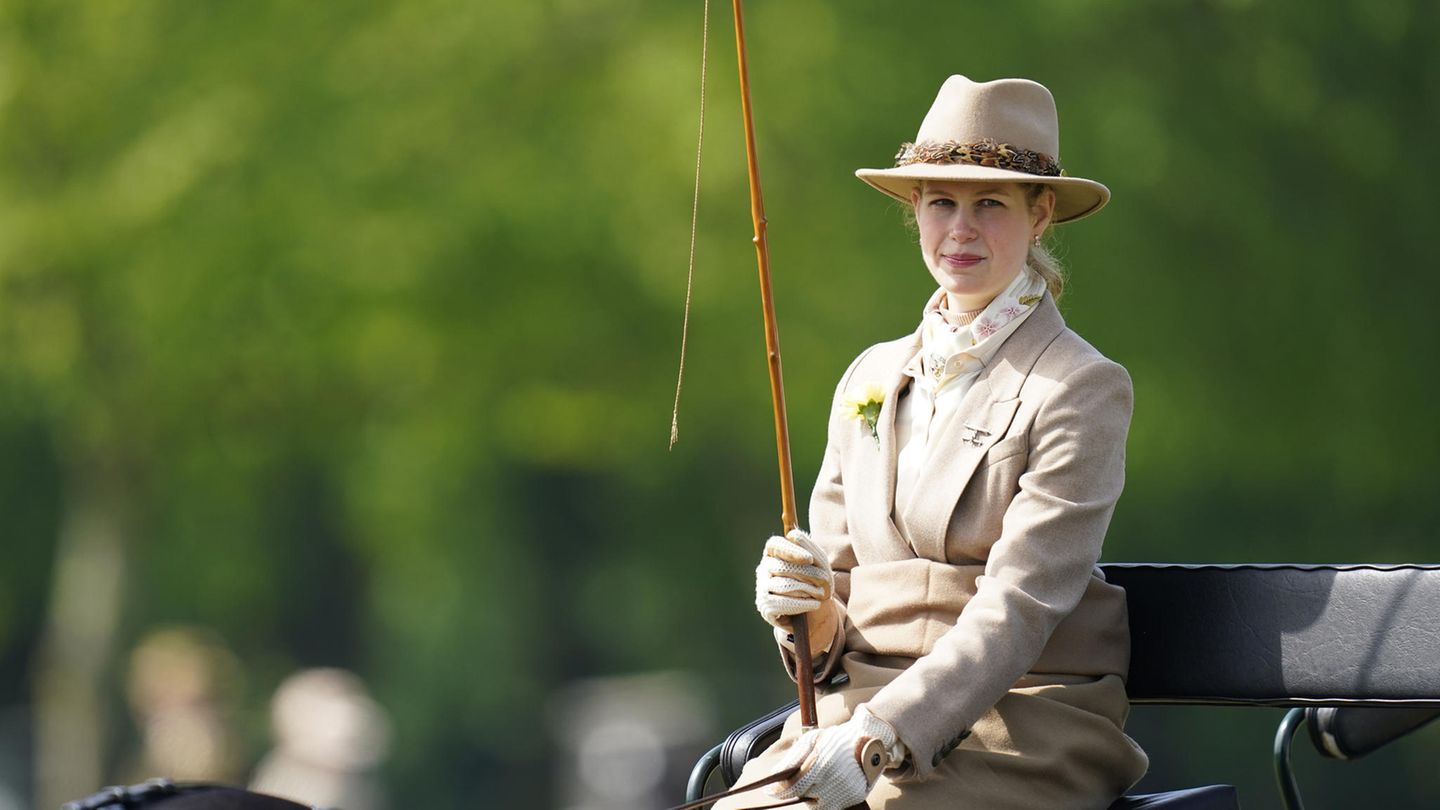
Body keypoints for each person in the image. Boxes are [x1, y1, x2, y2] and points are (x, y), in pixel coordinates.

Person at [726, 75, 1149, 809]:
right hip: (855, 708)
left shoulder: (1082, 386)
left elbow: (1019, 605)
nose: (961, 228)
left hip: (1024, 720)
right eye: (941, 202)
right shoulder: (871, 374)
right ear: (916, 212)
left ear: (1040, 213)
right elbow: (837, 611)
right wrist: (808, 610)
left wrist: (878, 736)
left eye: (990, 204)